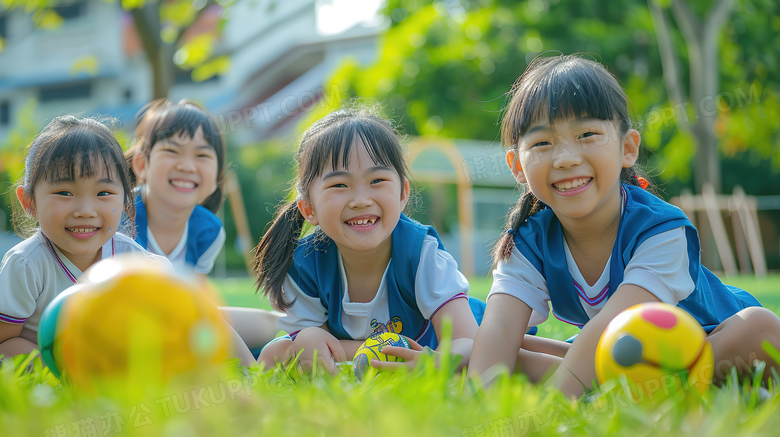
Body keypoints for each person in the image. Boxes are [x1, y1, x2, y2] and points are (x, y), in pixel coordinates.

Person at [467, 54, 780, 397]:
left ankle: (625, 390)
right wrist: (480, 397)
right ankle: (634, 389)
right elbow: (500, 327)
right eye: (542, 143)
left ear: (628, 148)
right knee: (514, 347)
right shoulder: (526, 241)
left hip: (711, 341)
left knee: (761, 328)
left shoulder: (659, 229)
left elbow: (609, 326)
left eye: (587, 134)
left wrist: (551, 410)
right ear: (517, 166)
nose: (567, 157)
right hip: (625, 354)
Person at [253, 104, 563, 376]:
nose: (361, 200)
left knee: (510, 353)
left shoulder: (419, 252)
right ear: (309, 208)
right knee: (273, 355)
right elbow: (315, 348)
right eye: (339, 185)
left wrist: (430, 362)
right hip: (387, 349)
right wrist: (309, 339)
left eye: (377, 181)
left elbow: (466, 342)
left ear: (402, 193)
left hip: (463, 327)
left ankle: (583, 354)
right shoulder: (305, 265)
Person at [0, 116, 167, 358]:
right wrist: (63, 372)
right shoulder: (26, 265)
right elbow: (5, 344)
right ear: (29, 202)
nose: (85, 211)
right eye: (65, 192)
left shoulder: (135, 263)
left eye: (103, 192)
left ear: (124, 198)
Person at [126, 99, 281, 355]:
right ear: (142, 165)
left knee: (271, 323)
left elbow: (198, 301)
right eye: (172, 151)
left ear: (217, 177)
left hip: (181, 322)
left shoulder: (208, 231)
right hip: (124, 322)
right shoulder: (120, 218)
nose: (187, 166)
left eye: (202, 155)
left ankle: (328, 340)